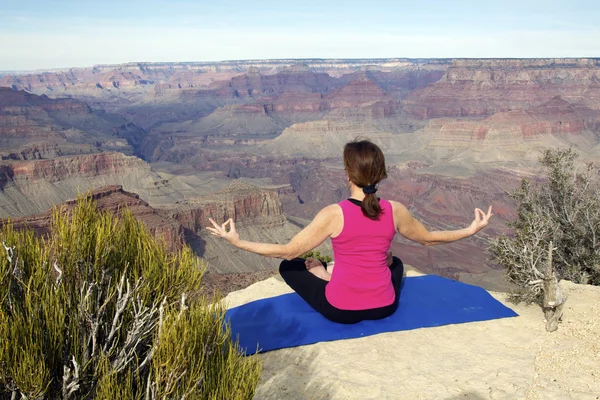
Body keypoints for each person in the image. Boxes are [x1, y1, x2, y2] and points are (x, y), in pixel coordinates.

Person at [207, 139, 493, 324]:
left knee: (289, 266)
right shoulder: (395, 210)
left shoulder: (334, 213)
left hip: (341, 310)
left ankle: (324, 276)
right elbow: (428, 239)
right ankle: (335, 275)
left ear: (347, 173)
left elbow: (288, 250)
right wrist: (471, 229)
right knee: (397, 263)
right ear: (380, 173)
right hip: (385, 307)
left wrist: (237, 241)